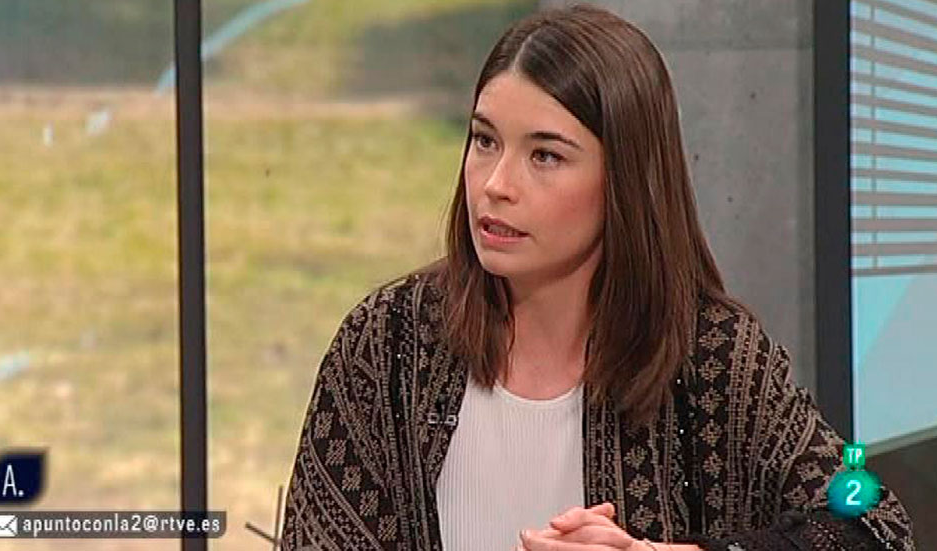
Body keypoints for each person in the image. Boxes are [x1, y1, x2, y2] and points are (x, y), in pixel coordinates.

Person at [280, 5, 914, 550]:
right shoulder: (387, 342)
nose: (496, 185)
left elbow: (874, 526)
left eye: (545, 155)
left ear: (625, 181)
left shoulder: (713, 358)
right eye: (484, 141)